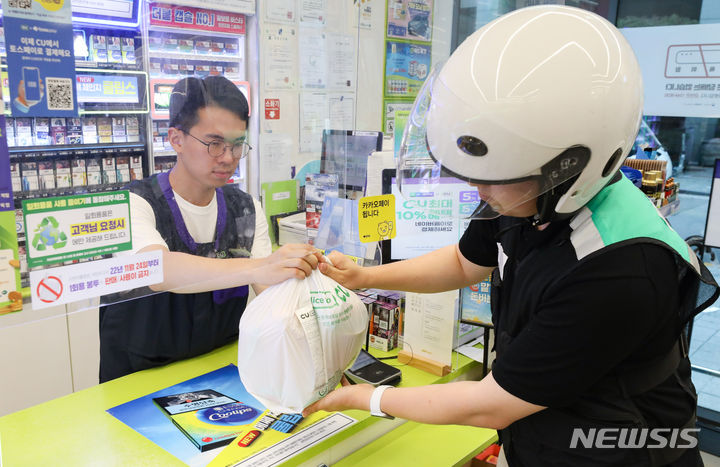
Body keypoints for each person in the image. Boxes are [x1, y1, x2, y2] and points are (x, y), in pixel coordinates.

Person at [304, 6, 719, 466]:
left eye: (491, 178)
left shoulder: (620, 270)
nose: (476, 190)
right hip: (544, 428)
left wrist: (365, 399)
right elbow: (465, 263)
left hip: (618, 449)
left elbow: (490, 403)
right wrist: (366, 275)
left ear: (569, 170)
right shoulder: (529, 193)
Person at [99, 76, 319, 382]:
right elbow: (157, 269)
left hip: (222, 374)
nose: (228, 158)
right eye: (214, 144)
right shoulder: (132, 203)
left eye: (237, 145)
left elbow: (271, 297)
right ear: (176, 139)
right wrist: (257, 267)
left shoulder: (245, 208)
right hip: (139, 380)